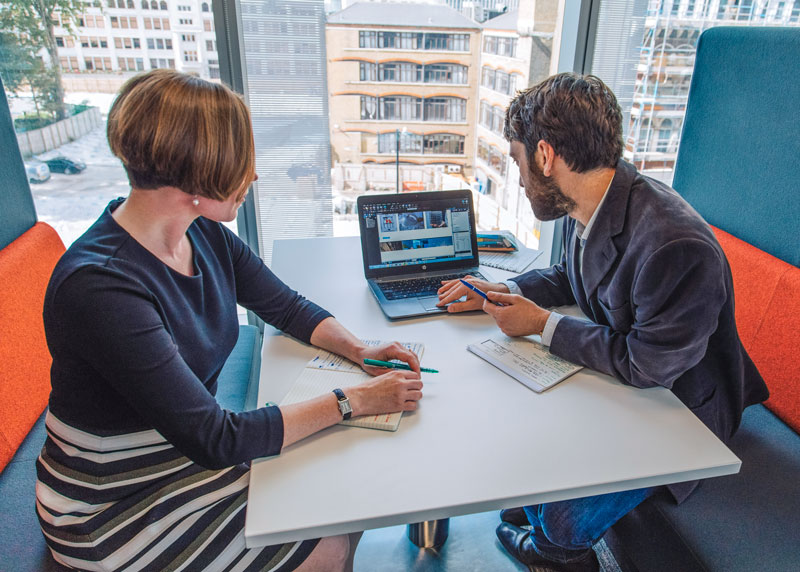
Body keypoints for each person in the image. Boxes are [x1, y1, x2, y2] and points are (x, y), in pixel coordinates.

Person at [36, 69, 424, 572]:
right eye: (243, 162)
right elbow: (216, 438)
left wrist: (359, 348)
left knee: (344, 497)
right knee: (327, 545)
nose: (253, 176)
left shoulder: (203, 235)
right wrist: (355, 401)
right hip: (114, 504)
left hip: (181, 459)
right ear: (198, 172)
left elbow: (284, 306)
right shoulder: (100, 288)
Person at [437, 73, 768, 571]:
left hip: (679, 410)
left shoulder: (676, 245)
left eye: (519, 162)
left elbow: (646, 366)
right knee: (526, 464)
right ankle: (545, 517)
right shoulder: (594, 197)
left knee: (562, 521)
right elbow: (572, 277)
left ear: (546, 156)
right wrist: (505, 290)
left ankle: (557, 554)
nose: (521, 180)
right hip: (628, 389)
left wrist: (541, 325)